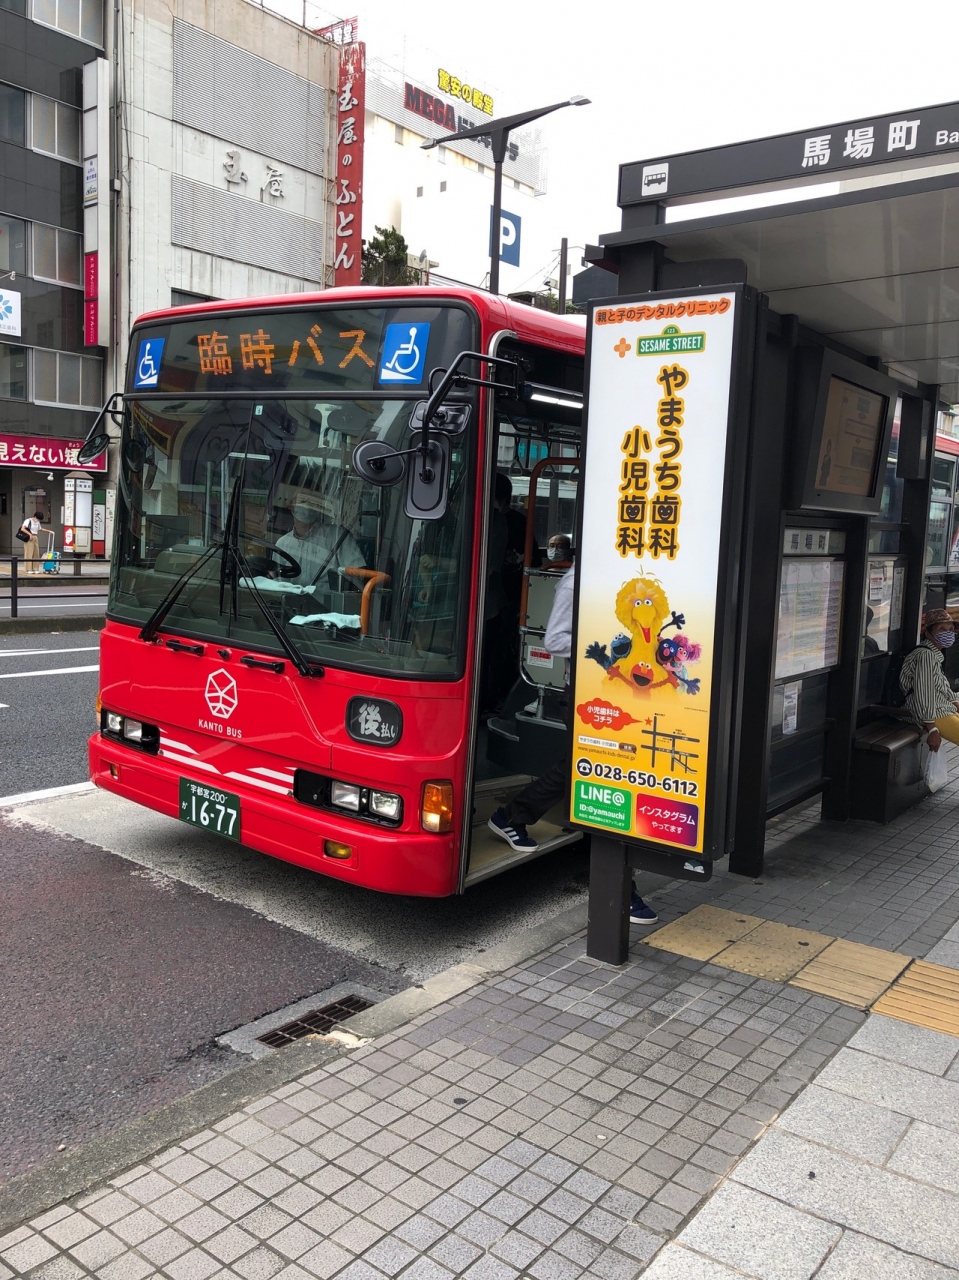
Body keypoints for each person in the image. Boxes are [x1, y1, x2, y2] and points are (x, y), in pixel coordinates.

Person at [488, 563, 658, 925]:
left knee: (585, 767)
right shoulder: (575, 581)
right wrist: (607, 646)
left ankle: (512, 816)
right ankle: (621, 889)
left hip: (620, 691)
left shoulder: (633, 578)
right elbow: (554, 640)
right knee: (604, 772)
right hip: (587, 693)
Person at [274, 494, 365, 588]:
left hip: (328, 597)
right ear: (291, 507)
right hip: (291, 597)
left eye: (311, 503)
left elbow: (358, 572)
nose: (306, 506)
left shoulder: (337, 535)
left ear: (318, 508)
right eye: (302, 501)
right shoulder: (282, 544)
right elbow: (278, 583)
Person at [900, 608, 959, 750]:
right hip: (932, 713)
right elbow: (924, 692)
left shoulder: (934, 654)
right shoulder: (925, 656)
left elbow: (943, 687)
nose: (948, 633)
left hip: (943, 708)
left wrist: (956, 704)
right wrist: (932, 728)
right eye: (942, 629)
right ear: (928, 632)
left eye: (951, 630)